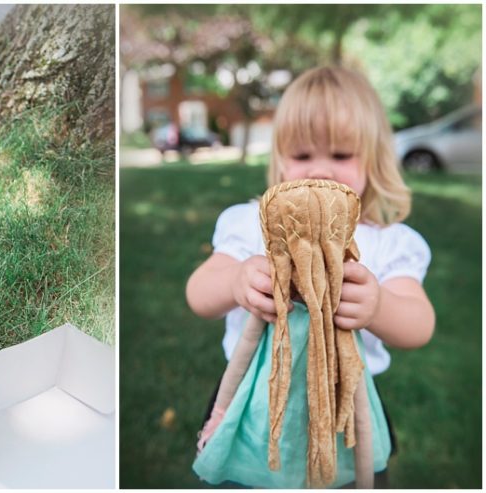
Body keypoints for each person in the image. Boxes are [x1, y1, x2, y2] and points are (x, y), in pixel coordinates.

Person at [185, 65, 435, 486]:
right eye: (302, 156)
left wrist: (378, 306)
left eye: (340, 155)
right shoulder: (250, 225)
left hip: (346, 407)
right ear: (281, 162)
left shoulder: (390, 242)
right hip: (254, 401)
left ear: (373, 160)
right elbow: (198, 295)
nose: (320, 170)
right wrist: (236, 282)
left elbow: (419, 325)